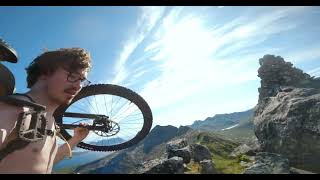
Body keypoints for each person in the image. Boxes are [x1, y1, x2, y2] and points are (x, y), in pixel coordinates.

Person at [0, 48, 92, 173]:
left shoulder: (50, 120)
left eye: (82, 80)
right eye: (73, 75)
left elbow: (44, 162)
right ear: (45, 73)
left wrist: (76, 139)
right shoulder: (13, 109)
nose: (78, 86)